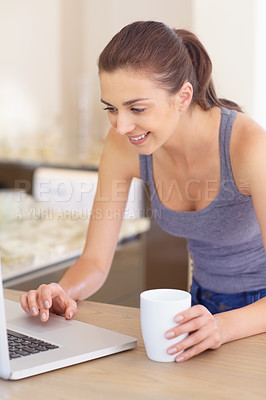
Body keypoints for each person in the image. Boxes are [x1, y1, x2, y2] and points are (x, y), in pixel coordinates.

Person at [20, 21, 266, 362]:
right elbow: (94, 261)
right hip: (202, 311)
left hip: (256, 318)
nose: (121, 126)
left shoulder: (248, 147)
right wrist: (63, 292)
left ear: (182, 97)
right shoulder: (124, 146)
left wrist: (223, 327)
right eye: (111, 108)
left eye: (137, 108)